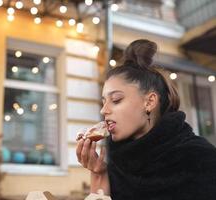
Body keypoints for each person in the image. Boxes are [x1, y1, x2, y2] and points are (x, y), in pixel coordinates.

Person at [76, 39, 216, 200]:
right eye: (103, 101)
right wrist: (98, 173)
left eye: (116, 100)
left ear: (149, 102)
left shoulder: (200, 158)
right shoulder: (118, 164)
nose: (103, 110)